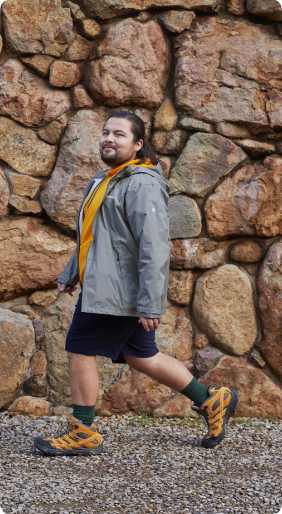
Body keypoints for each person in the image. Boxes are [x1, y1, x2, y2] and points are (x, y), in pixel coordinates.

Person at [34, 111, 238, 456]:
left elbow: (154, 248)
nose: (109, 139)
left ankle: (83, 430)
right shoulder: (107, 178)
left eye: (119, 135)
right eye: (105, 133)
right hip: (104, 284)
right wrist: (72, 273)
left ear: (138, 143)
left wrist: (149, 304)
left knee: (80, 346)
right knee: (141, 356)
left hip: (118, 291)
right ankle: (211, 400)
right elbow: (93, 238)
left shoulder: (142, 183)